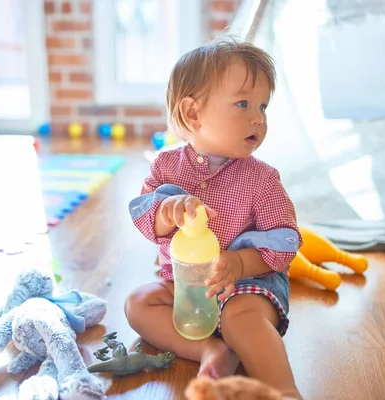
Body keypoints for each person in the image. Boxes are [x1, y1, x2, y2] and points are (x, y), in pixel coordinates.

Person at [126, 36, 303, 399]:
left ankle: (285, 391)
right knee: (138, 303)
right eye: (243, 103)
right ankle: (209, 349)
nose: (258, 118)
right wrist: (166, 211)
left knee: (242, 319)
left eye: (263, 106)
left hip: (249, 288)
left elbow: (285, 241)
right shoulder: (166, 166)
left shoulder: (262, 179)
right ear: (192, 113)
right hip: (186, 290)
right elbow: (144, 216)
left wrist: (238, 264)